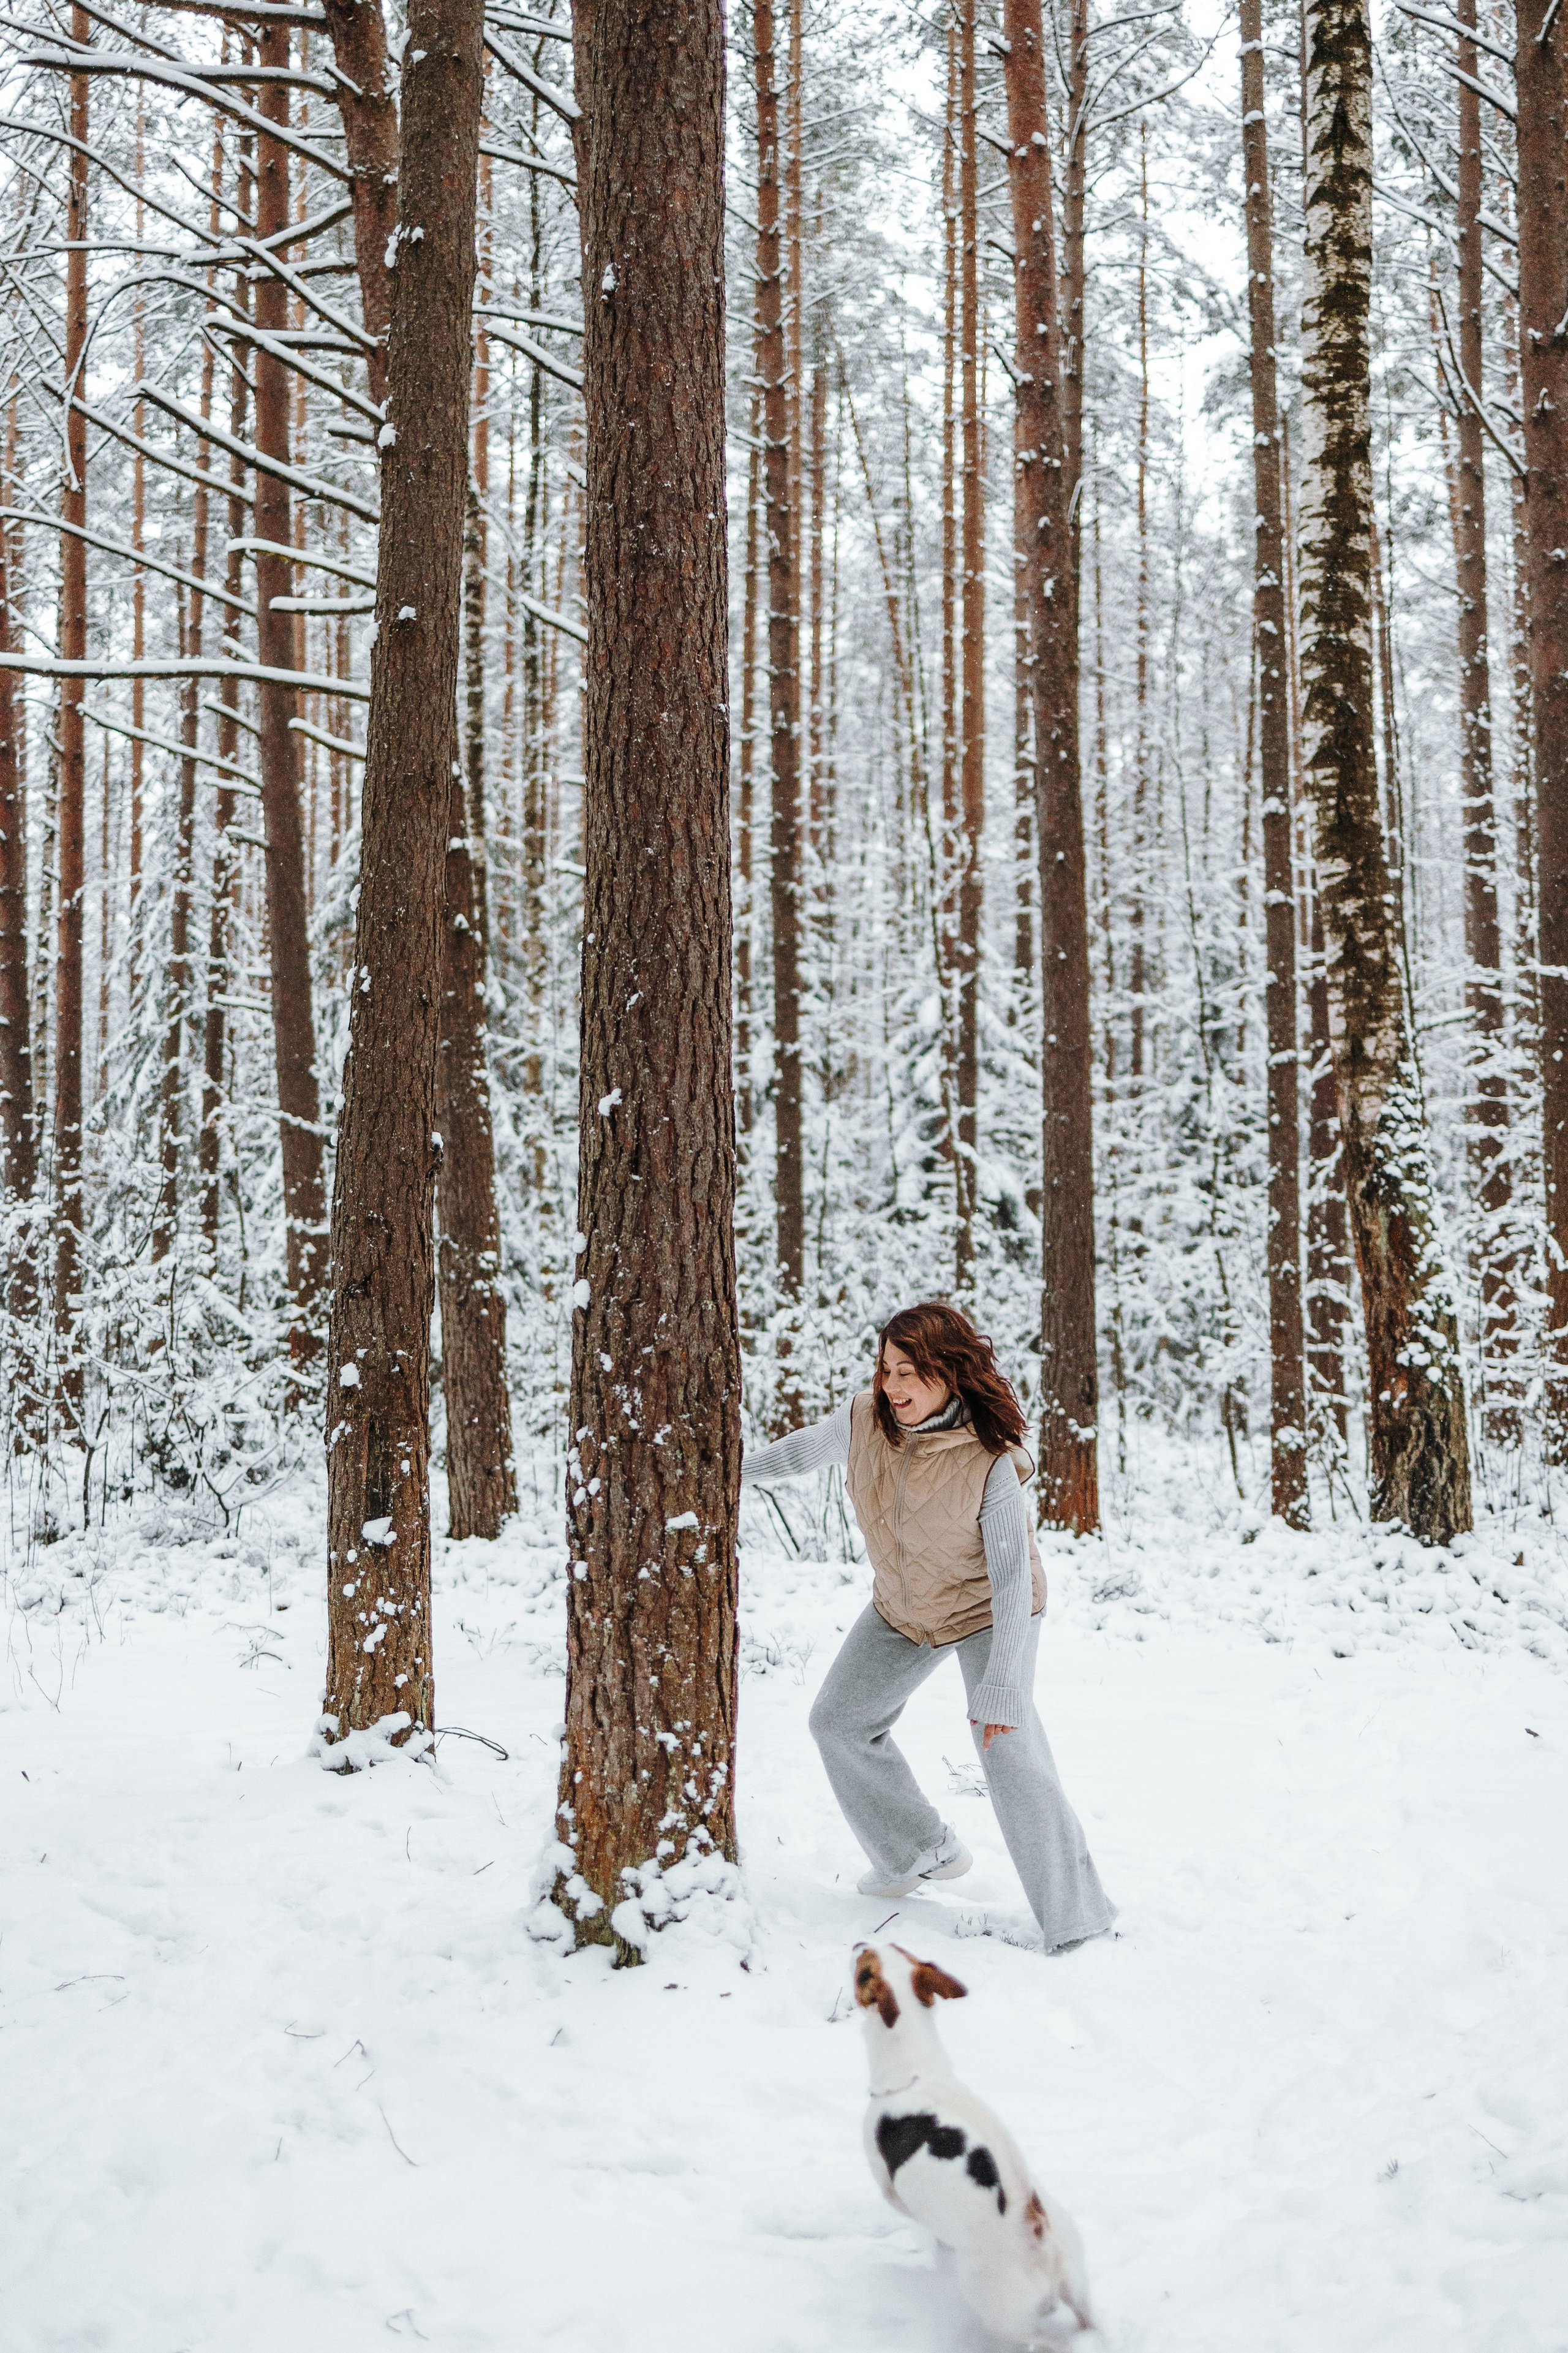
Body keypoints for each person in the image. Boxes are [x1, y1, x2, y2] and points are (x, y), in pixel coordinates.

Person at [742, 1301, 1113, 1954]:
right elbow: (801, 1453)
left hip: (988, 1614)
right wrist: (724, 1472)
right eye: (886, 1369)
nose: (893, 1386)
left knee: (1008, 1748)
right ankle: (917, 1849)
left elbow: (1009, 1578)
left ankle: (1077, 1917)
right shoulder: (863, 1419)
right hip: (902, 1608)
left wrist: (1000, 1684)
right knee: (838, 1721)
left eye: (909, 1371)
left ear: (949, 1372)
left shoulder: (990, 1460)